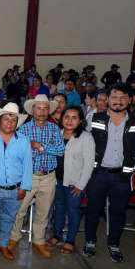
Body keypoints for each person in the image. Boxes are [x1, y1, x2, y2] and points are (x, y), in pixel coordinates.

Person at [84, 84, 135, 262]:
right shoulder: (94, 117)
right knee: (93, 210)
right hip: (97, 174)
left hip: (123, 176)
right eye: (115, 97)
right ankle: (90, 241)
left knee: (118, 211)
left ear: (130, 100)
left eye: (123, 97)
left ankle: (113, 243)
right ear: (107, 99)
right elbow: (85, 145)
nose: (119, 101)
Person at [7, 95, 65, 258]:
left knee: (44, 211)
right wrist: (43, 149)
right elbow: (18, 153)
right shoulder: (23, 129)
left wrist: (39, 146)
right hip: (28, 176)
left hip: (48, 176)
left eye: (45, 108)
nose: (42, 111)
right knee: (20, 209)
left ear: (49, 110)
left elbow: (60, 151)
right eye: (38, 108)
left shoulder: (54, 128)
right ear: (32, 110)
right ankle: (14, 237)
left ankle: (39, 240)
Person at [0, 103, 30, 261]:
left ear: (17, 122)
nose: (9, 123)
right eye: (6, 119)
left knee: (9, 218)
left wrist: (24, 187)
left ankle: (2, 244)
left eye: (13, 120)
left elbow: (27, 165)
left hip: (14, 189)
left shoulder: (23, 141)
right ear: (0, 120)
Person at [47, 107, 94, 254]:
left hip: (75, 183)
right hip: (57, 180)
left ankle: (70, 240)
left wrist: (81, 185)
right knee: (59, 208)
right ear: (62, 118)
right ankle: (57, 235)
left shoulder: (86, 137)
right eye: (67, 117)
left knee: (73, 210)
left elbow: (89, 164)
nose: (69, 121)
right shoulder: (57, 133)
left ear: (80, 120)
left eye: (74, 118)